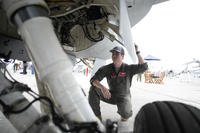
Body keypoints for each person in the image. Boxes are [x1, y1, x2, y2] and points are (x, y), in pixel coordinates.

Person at [88, 45, 148, 121]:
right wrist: (102, 87)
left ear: (122, 56)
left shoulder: (128, 68)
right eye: (113, 54)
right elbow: (93, 80)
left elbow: (144, 67)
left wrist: (137, 52)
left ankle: (124, 114)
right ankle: (97, 117)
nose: (114, 55)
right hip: (111, 95)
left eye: (117, 54)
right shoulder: (106, 68)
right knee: (93, 89)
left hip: (124, 97)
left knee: (126, 115)